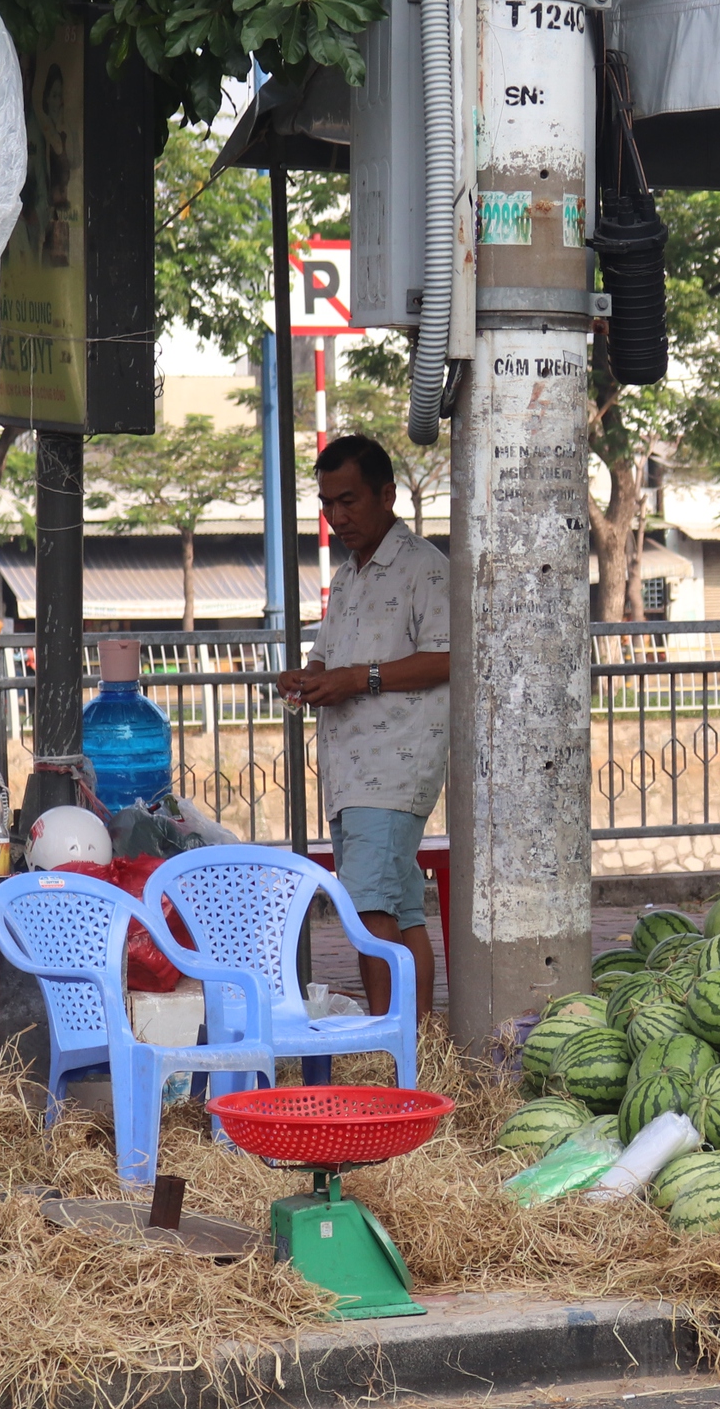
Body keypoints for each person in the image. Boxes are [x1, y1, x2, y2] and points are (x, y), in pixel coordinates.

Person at [279, 434, 448, 1021]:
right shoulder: (349, 576)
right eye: (327, 504)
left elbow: (447, 658)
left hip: (394, 768)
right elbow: (328, 657)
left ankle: (386, 1037)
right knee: (400, 912)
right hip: (352, 774)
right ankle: (419, 1041)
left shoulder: (425, 568)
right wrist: (310, 678)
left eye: (348, 501)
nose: (337, 517)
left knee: (370, 912)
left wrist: (358, 680)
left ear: (387, 495)